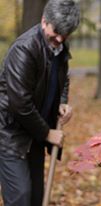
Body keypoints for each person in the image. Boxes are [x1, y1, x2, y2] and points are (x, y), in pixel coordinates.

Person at [0, 0, 80, 205]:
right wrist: (47, 133)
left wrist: (62, 101)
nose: (60, 38)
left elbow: (63, 77)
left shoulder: (58, 45)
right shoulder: (24, 50)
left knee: (36, 197)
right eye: (57, 32)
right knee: (21, 197)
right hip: (10, 133)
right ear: (44, 21)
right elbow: (20, 104)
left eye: (66, 34)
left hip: (35, 132)